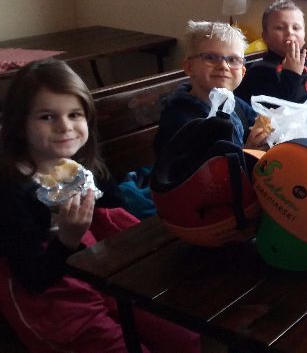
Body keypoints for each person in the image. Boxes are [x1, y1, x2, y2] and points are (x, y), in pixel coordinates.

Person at [0, 58, 200, 352]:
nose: (64, 127)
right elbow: (34, 279)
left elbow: (115, 211)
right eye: (47, 117)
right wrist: (67, 239)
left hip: (94, 266)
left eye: (74, 114)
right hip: (45, 292)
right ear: (19, 125)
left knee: (185, 337)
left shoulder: (83, 167)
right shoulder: (11, 189)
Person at [153, 20, 269, 154]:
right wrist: (249, 151)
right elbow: (204, 165)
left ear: (242, 72)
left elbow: (258, 122)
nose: (224, 66)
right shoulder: (180, 119)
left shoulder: (235, 105)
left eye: (232, 60)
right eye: (211, 57)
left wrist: (265, 133)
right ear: (189, 67)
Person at [234, 0, 307, 110]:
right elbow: (276, 110)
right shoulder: (258, 71)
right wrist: (292, 75)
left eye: (296, 28)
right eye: (279, 27)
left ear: (304, 35)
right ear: (265, 37)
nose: (290, 32)